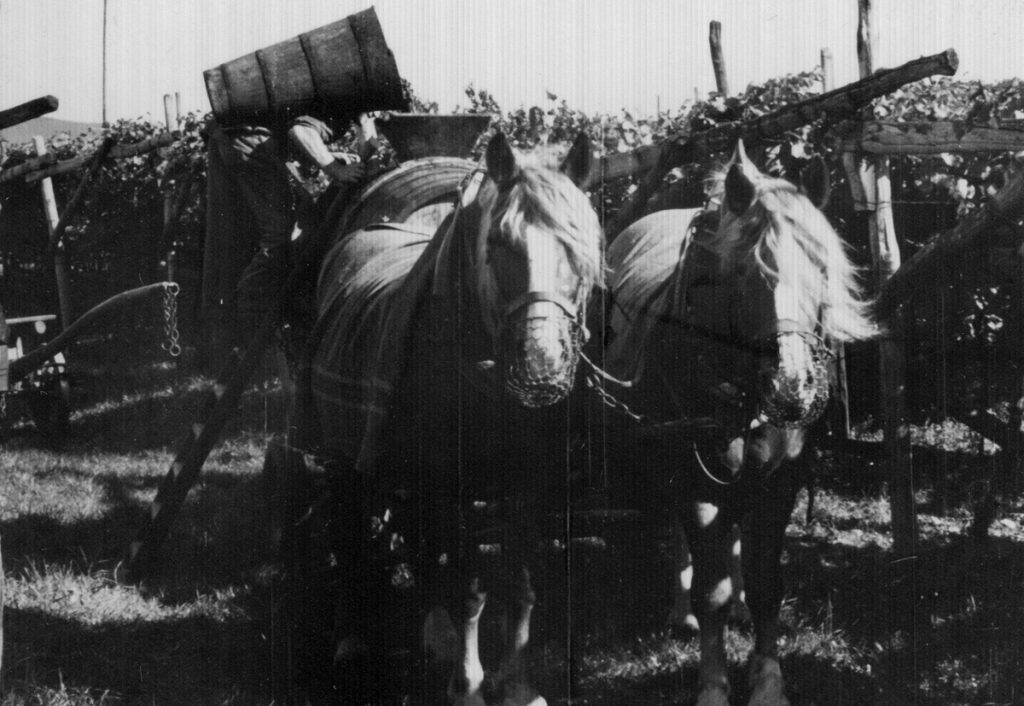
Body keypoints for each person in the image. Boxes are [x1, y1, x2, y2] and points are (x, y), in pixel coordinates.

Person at [201, 112, 373, 354]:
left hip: (236, 135)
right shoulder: (341, 102)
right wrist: (336, 170)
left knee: (290, 219)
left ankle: (239, 330)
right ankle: (250, 321)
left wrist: (334, 156)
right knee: (279, 234)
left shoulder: (335, 95)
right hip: (249, 140)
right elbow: (299, 132)